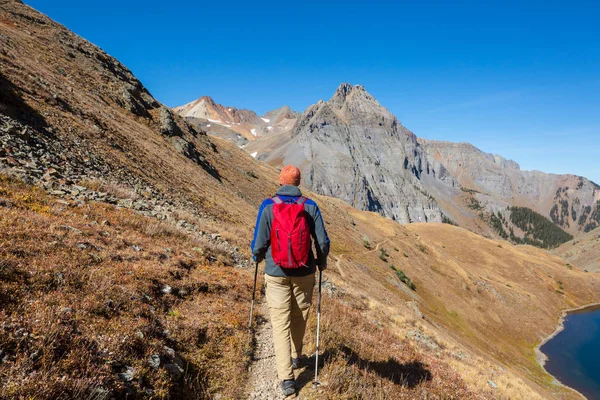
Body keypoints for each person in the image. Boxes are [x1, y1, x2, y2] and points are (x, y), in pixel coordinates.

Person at [251, 165, 330, 396]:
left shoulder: (268, 205)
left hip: (276, 274)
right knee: (300, 315)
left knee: (280, 323)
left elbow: (259, 242)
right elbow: (323, 242)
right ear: (298, 182)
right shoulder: (310, 205)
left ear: (280, 180)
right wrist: (320, 261)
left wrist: (257, 257)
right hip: (305, 272)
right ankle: (297, 356)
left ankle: (287, 379)